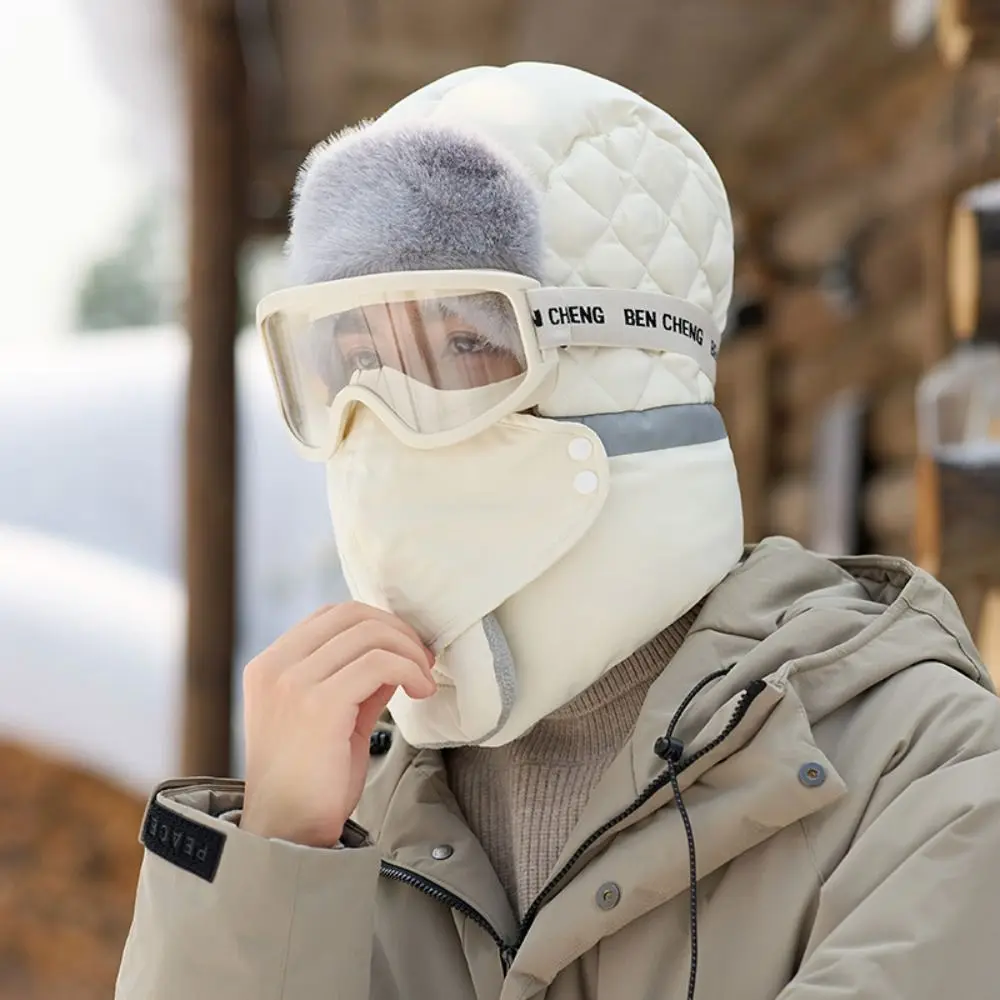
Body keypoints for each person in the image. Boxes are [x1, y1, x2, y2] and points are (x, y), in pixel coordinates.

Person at [116, 62, 1000, 1000]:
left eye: (459, 345)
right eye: (353, 363)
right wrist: (274, 864)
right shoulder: (341, 816)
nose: (379, 423)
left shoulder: (924, 773)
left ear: (620, 363)